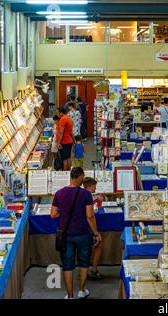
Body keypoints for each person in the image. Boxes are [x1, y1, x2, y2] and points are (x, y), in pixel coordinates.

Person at [50, 167, 102, 299]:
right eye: (82, 177)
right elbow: (90, 216)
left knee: (67, 265)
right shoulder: (85, 195)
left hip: (66, 234)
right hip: (83, 233)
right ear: (79, 177)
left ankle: (70, 295)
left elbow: (53, 214)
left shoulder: (59, 193)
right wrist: (96, 233)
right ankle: (81, 290)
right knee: (84, 262)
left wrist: (64, 212)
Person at [83, 177, 103, 280]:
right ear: (89, 186)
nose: (95, 189)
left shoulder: (83, 195)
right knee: (98, 244)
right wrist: (96, 233)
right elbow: (89, 216)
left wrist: (95, 200)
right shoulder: (87, 196)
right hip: (87, 228)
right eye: (94, 186)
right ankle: (94, 270)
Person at [56, 107, 74, 171]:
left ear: (61, 113)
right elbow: (71, 131)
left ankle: (65, 173)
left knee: (64, 159)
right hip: (69, 141)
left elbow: (61, 132)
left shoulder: (63, 119)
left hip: (64, 141)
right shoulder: (69, 118)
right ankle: (69, 171)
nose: (57, 114)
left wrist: (58, 143)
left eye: (57, 113)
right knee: (68, 157)